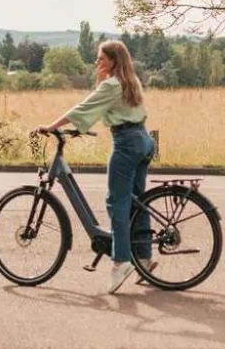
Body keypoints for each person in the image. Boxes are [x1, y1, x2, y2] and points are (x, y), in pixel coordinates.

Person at [40, 39, 155, 293]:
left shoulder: (112, 85)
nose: (97, 62)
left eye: (101, 58)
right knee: (138, 201)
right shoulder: (129, 81)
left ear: (113, 61)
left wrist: (51, 127)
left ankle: (121, 261)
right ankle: (145, 258)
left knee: (117, 202)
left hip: (126, 143)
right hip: (144, 140)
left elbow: (83, 108)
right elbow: (100, 106)